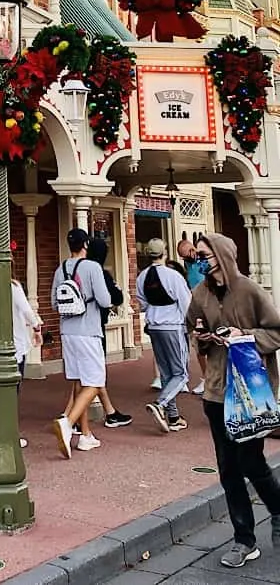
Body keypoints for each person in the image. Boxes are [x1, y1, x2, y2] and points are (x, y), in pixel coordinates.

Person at [187, 233, 280, 570]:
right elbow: (192, 329)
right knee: (228, 468)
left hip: (251, 393)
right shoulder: (200, 293)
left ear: (222, 255)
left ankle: (278, 509)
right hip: (216, 391)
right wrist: (201, 336)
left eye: (204, 255)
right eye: (197, 255)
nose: (200, 261)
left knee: (251, 463)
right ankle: (244, 540)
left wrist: (247, 338)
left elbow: (277, 331)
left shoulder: (250, 291)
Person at [51, 228, 112, 457]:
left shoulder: (61, 269)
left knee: (79, 381)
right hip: (88, 330)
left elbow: (54, 303)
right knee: (96, 381)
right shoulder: (92, 267)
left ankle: (85, 435)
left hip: (67, 331)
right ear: (85, 244)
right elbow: (105, 300)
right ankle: (68, 423)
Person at [0, 275, 42, 447]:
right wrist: (37, 326)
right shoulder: (13, 287)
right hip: (14, 346)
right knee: (11, 392)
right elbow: (27, 311)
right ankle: (8, 434)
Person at [138, 237, 191, 433]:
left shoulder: (142, 277)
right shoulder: (173, 276)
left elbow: (142, 303)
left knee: (167, 373)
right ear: (165, 252)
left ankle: (174, 416)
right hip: (172, 326)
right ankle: (160, 404)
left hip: (153, 326)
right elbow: (186, 304)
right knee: (181, 374)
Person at [85, 238, 132, 428]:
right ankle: (72, 417)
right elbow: (115, 297)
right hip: (95, 328)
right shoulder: (99, 273)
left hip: (75, 329)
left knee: (86, 375)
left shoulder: (72, 271)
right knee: (94, 374)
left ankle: (109, 411)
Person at [178, 238, 207, 395]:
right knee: (199, 345)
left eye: (190, 252)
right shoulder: (187, 265)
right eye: (185, 256)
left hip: (210, 303)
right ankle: (206, 378)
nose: (190, 256)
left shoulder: (205, 260)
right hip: (196, 306)